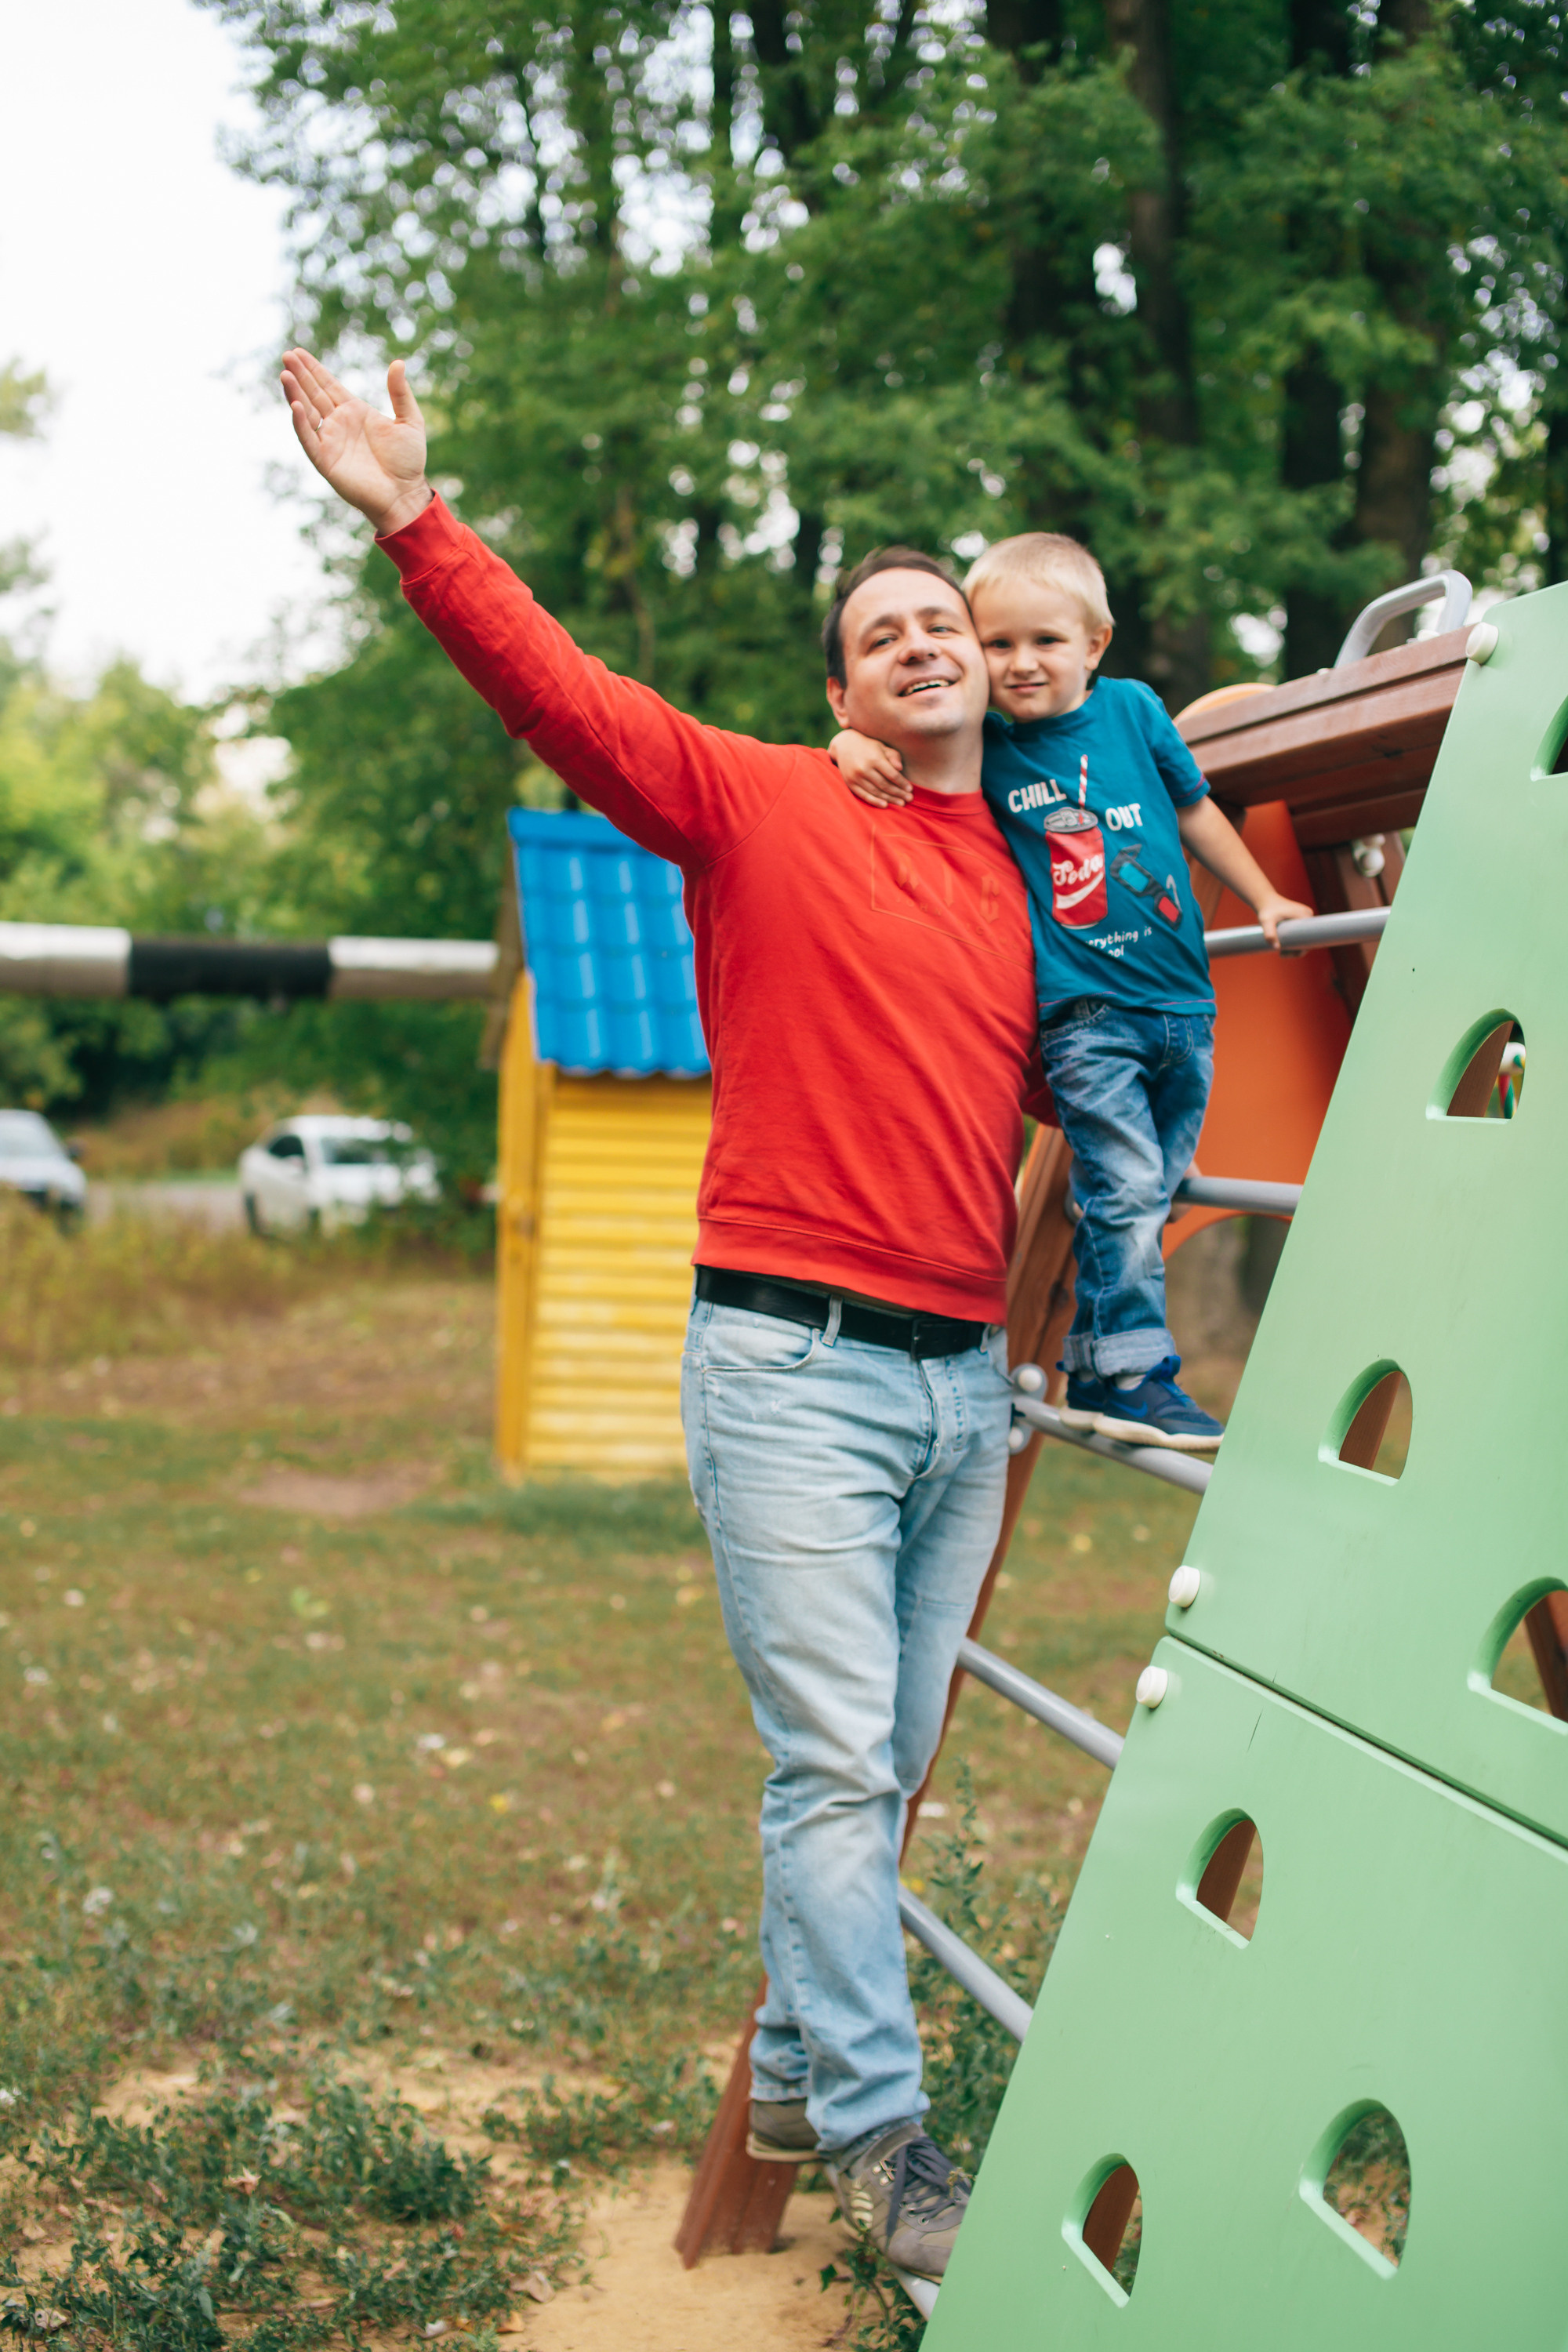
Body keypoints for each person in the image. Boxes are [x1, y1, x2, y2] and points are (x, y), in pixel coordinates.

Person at [278, 349, 1054, 2280]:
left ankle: (798, 2059)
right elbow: (563, 691)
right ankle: (881, 2142)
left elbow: (1141, 777)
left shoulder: (1038, 866)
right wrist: (409, 518)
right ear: (838, 691)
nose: (915, 642)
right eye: (876, 632)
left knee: (882, 1761)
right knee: (831, 1764)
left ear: (985, 658)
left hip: (970, 1381)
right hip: (790, 1365)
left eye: (940, 619)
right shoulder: (759, 803)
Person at [831, 531, 1312, 1452]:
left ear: (1094, 643)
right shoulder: (991, 743)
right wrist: (846, 739)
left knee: (1152, 1189)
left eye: (1044, 643)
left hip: (1182, 1005)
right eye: (997, 643)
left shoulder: (1132, 711)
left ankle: (1094, 1360)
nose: (1018, 664)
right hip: (1084, 1015)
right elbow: (897, 722)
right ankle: (1135, 1374)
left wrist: (1263, 897)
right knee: (1125, 1186)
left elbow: (1193, 810)